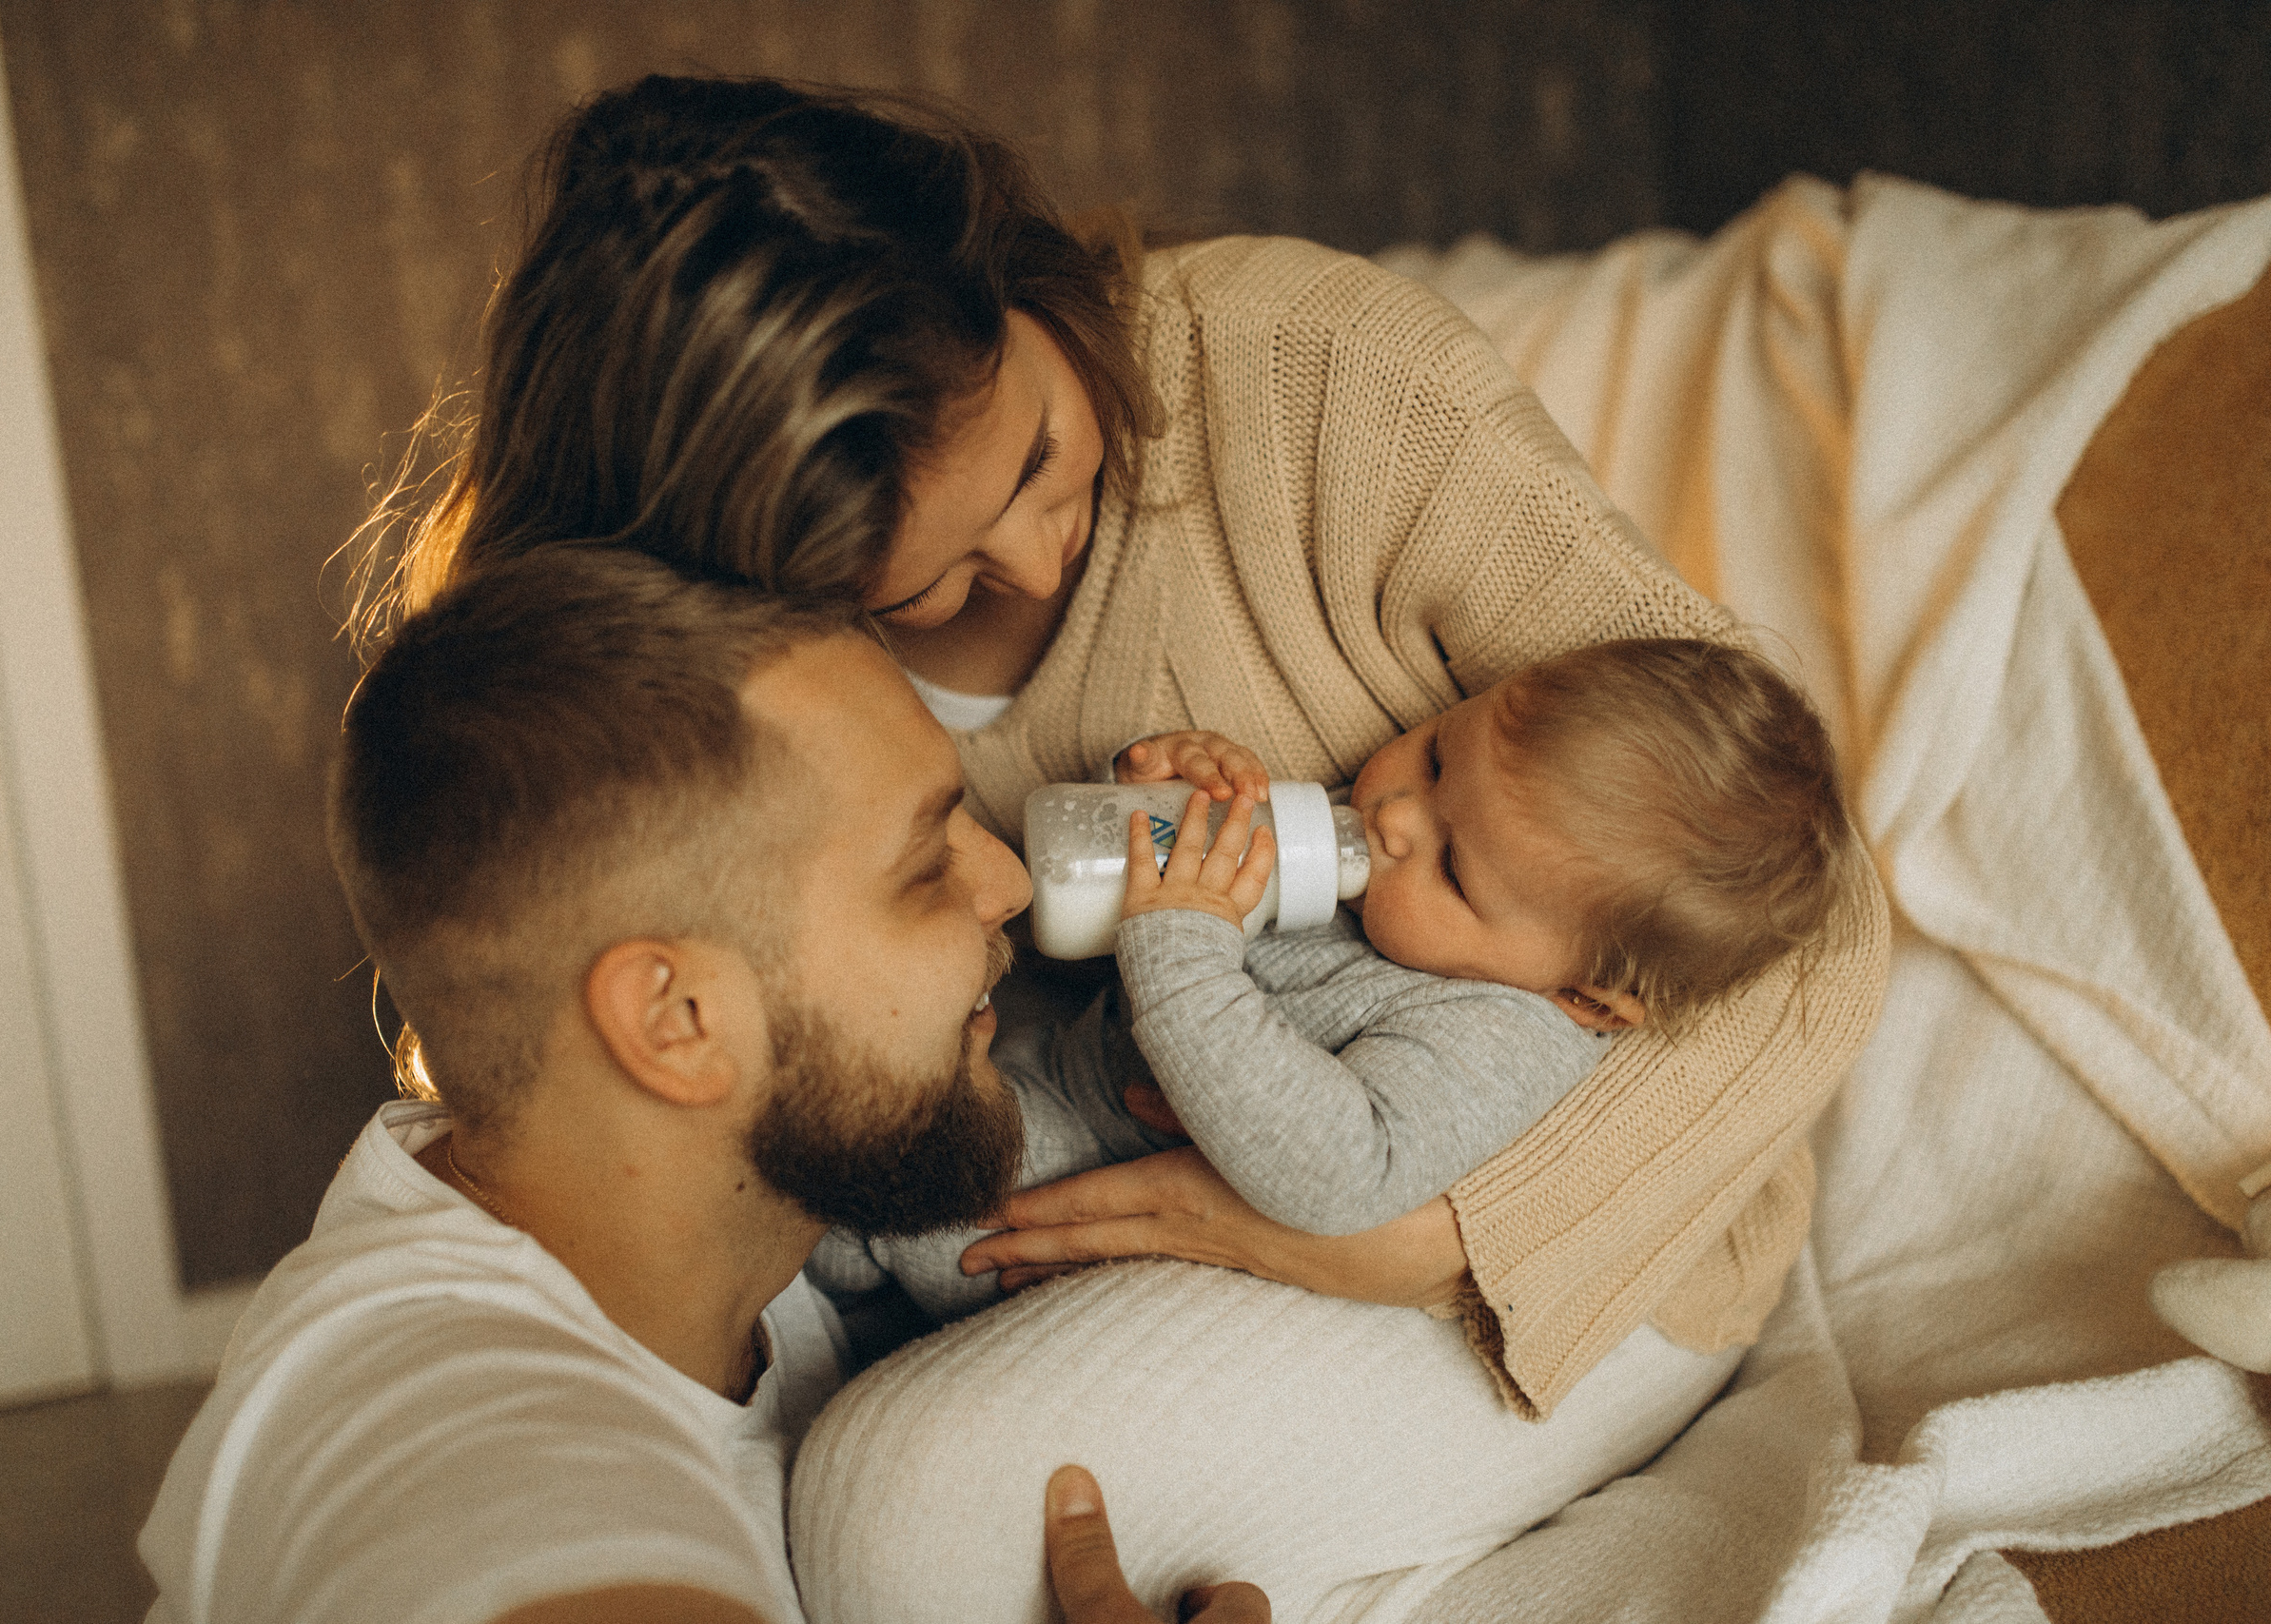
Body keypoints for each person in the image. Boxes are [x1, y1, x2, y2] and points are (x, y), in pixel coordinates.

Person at [360, 74, 1889, 1621]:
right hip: (1051, 1181)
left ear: (1016, 277)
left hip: (1560, 1256)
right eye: (924, 583)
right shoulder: (719, 653)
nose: (1036, 558)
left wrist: (1447, 1234)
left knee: (898, 1508)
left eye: (1033, 457)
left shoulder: (1325, 384)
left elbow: (1813, 921)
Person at [136, 545, 1293, 1624]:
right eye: (921, 864)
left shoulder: (720, 1248)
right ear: (678, 1023)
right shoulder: (466, 1433)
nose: (1005, 885)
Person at [818, 639, 1857, 1327]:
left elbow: (1334, 1171)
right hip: (1058, 1054)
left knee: (902, 1206)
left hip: (1097, 1172)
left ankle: (827, 1264)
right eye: (1442, 756)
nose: (1397, 817)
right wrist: (1179, 800)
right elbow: (1147, 889)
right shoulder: (1396, 871)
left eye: (1453, 866)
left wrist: (1182, 940)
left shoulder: (1499, 1036)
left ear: (1583, 998)